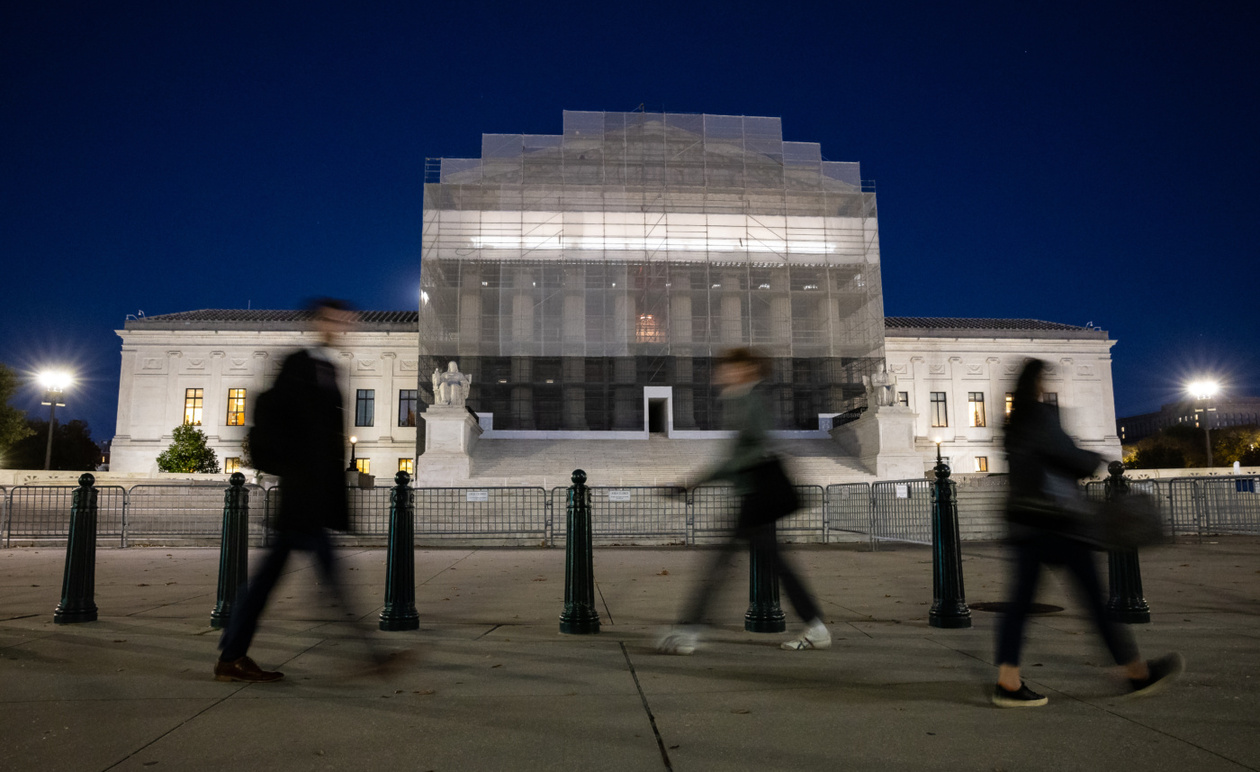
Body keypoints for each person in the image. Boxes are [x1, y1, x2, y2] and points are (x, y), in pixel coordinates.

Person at [993, 358, 1183, 707]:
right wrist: (1092, 458)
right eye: (1043, 379)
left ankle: (1008, 680)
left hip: (1023, 522)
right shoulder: (1042, 416)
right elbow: (1069, 457)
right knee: (1095, 602)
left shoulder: (1011, 424)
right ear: (1036, 383)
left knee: (1019, 604)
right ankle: (1135, 673)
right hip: (1058, 522)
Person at [214, 298, 359, 683]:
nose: (344, 326)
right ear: (318, 321)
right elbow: (276, 417)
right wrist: (296, 470)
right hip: (303, 495)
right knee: (327, 579)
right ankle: (368, 653)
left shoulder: (327, 367)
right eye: (337, 319)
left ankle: (231, 655)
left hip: (313, 496)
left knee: (269, 581)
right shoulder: (298, 364)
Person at [657, 347, 830, 655]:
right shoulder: (742, 400)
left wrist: (695, 481)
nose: (721, 373)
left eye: (729, 367)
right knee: (775, 564)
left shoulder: (747, 401)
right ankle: (815, 625)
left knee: (721, 564)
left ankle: (689, 631)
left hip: (755, 492)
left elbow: (752, 448)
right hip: (753, 492)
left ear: (746, 369)